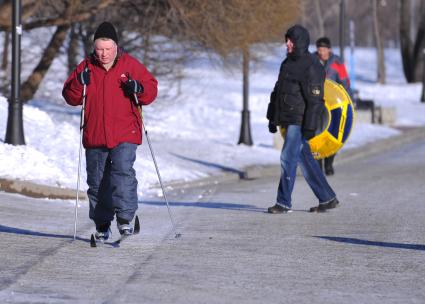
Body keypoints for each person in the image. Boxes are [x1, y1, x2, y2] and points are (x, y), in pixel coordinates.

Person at [63, 22, 158, 240]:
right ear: (94, 48)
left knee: (122, 172)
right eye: (99, 49)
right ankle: (102, 223)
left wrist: (138, 88)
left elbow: (151, 90)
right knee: (97, 181)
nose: (104, 54)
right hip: (95, 132)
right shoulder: (85, 67)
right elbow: (70, 97)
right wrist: (78, 83)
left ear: (116, 47)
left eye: (108, 49)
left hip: (125, 131)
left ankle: (125, 219)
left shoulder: (130, 65)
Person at [266, 25, 339, 214]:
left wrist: (309, 126)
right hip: (289, 119)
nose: (287, 43)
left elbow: (315, 101)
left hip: (300, 121)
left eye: (291, 40)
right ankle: (327, 198)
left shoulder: (311, 65)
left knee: (287, 158)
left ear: (299, 42)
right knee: (305, 160)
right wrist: (272, 118)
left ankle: (283, 202)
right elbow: (278, 92)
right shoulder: (286, 63)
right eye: (286, 40)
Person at [315, 37, 352, 175]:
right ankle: (318, 165)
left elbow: (345, 81)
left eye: (323, 49)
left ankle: (329, 163)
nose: (321, 52)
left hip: (334, 105)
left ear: (329, 49)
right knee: (317, 134)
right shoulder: (312, 60)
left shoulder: (337, 62)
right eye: (319, 49)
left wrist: (348, 99)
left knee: (333, 134)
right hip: (316, 104)